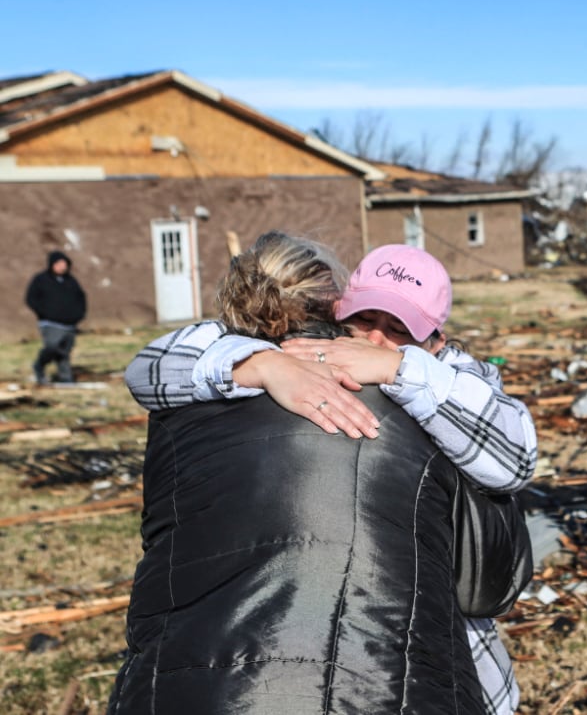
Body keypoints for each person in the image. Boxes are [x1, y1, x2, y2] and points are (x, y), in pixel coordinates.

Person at [108, 232, 530, 714]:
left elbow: (515, 458)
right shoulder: (281, 362)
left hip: (445, 649)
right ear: (338, 312)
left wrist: (399, 370)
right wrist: (262, 364)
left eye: (400, 330)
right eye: (365, 318)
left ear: (435, 338)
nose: (375, 338)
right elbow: (147, 367)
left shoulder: (450, 383)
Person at [25, 250, 87, 384]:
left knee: (64, 354)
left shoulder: (71, 281)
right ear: (52, 264)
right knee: (52, 347)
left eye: (64, 264)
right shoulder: (41, 279)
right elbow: (30, 298)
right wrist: (45, 312)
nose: (62, 267)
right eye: (59, 264)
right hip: (50, 323)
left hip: (70, 324)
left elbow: (81, 298)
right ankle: (40, 365)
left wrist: (79, 314)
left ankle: (66, 379)